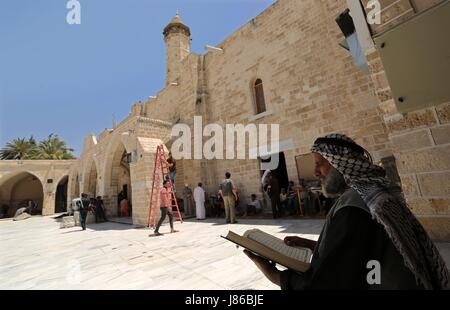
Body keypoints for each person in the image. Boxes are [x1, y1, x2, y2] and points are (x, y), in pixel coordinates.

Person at [245, 133, 450, 289]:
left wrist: (271, 272)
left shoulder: (354, 206)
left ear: (340, 164)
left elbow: (330, 281)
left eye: (320, 164)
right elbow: (362, 248)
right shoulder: (370, 193)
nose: (316, 172)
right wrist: (312, 245)